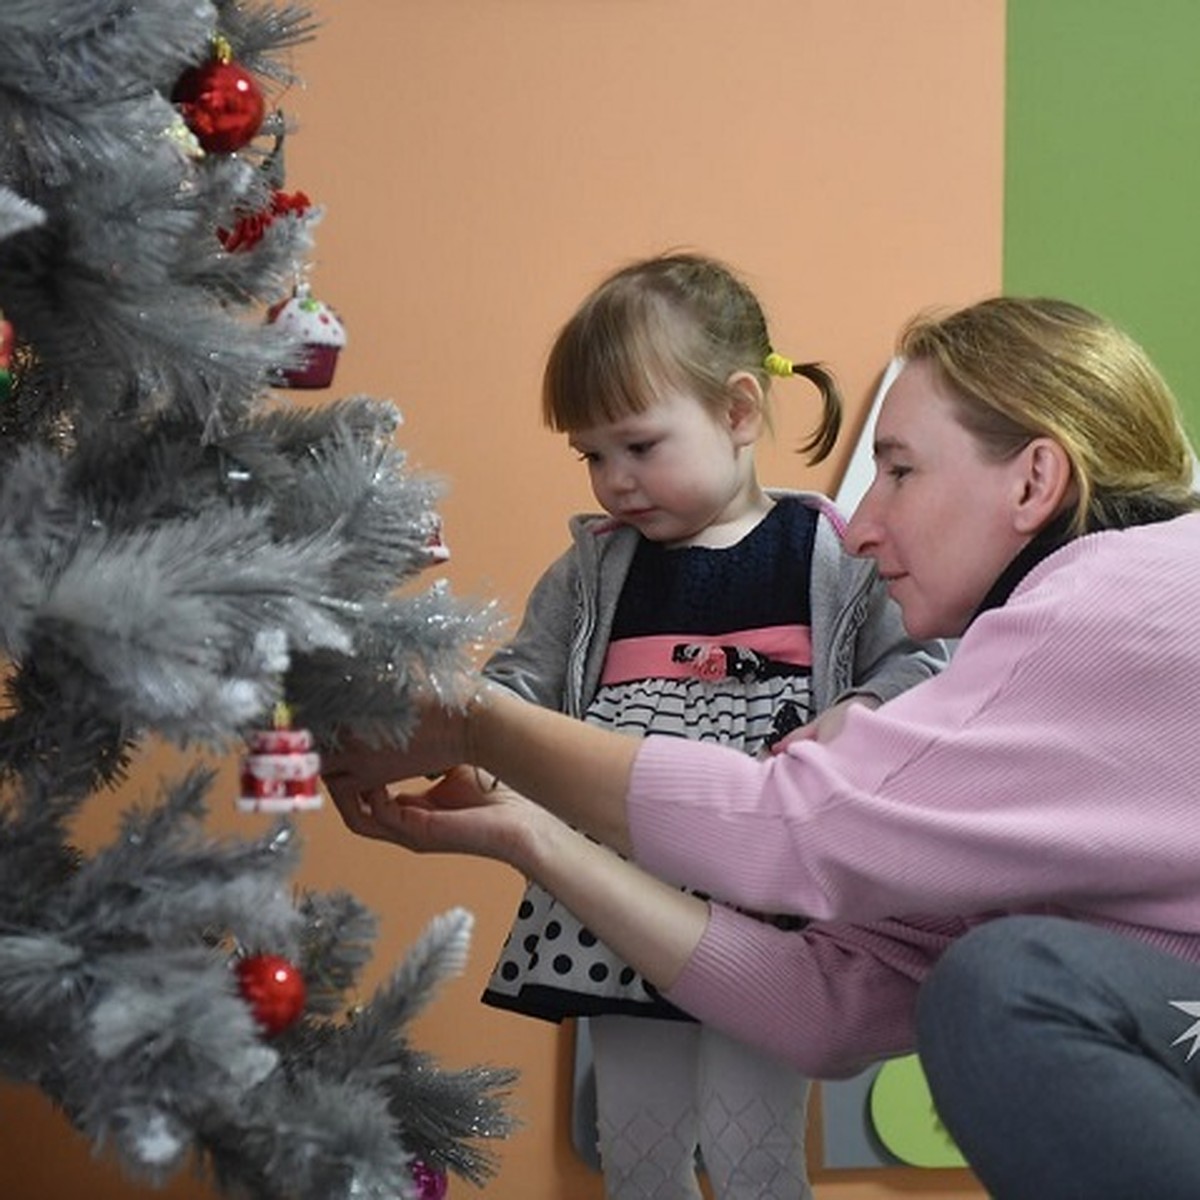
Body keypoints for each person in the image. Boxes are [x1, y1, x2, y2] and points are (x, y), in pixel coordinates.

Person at [323, 295, 1200, 1199]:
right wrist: (530, 835)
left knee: (1006, 985)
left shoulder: (1109, 602)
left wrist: (476, 723)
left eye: (898, 470)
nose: (860, 525)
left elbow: (791, 826)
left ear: (1032, 482)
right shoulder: (1049, 698)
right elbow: (835, 1003)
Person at [473, 253, 946, 1200]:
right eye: (592, 455)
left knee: (754, 1153)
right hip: (616, 902)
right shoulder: (592, 569)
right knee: (636, 1152)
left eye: (639, 446)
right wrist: (473, 731)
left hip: (766, 905)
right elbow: (518, 686)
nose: (614, 480)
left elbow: (930, 664)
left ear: (738, 412)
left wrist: (861, 708)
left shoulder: (834, 555)